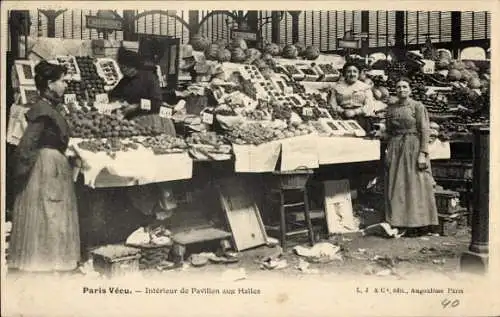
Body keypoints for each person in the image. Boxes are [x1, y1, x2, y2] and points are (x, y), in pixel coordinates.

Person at [9, 61, 80, 273]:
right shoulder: (42, 111)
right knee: (50, 212)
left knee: (51, 211)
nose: (65, 85)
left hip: (51, 163)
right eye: (62, 81)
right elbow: (27, 144)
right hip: (46, 167)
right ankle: (47, 260)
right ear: (50, 84)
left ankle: (50, 259)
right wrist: (20, 172)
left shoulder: (48, 108)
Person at [384, 78, 439, 236]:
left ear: (410, 89)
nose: (401, 89)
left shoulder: (417, 106)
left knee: (416, 184)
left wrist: (423, 153)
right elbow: (388, 130)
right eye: (398, 87)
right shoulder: (391, 108)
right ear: (395, 90)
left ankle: (419, 223)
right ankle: (400, 222)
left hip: (413, 147)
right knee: (397, 185)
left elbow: (424, 130)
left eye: (405, 86)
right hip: (395, 147)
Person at [109, 47, 176, 136]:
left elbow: (156, 102)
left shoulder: (149, 78)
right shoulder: (125, 80)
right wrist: (118, 102)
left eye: (124, 68)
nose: (121, 71)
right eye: (120, 67)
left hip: (152, 120)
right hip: (133, 121)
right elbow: (114, 94)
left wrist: (136, 106)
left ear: (133, 67)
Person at [328, 62, 376, 130]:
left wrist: (355, 112)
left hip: (361, 119)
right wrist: (342, 111)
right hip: (342, 117)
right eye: (349, 71)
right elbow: (332, 104)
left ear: (358, 74)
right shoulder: (336, 87)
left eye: (355, 72)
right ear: (344, 74)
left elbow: (370, 105)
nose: (352, 74)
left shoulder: (365, 87)